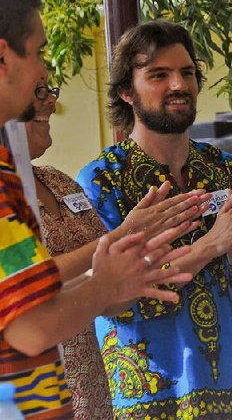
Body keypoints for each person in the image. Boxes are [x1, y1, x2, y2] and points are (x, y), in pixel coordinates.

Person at [76, 20, 232, 419]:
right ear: (126, 91)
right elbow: (113, 301)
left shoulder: (231, 173)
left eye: (187, 73)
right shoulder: (100, 183)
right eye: (158, 75)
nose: (178, 85)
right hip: (151, 396)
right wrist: (206, 247)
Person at [0, 0, 198, 419]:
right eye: (37, 54)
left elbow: (88, 287)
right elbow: (30, 326)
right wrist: (109, 271)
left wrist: (121, 273)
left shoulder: (44, 180)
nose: (43, 81)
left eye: (187, 73)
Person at [24, 81, 213, 419]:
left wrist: (150, 255)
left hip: (90, 400)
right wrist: (122, 235)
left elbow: (111, 298)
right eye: (38, 92)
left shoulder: (58, 182)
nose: (52, 101)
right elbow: (23, 284)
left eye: (50, 89)